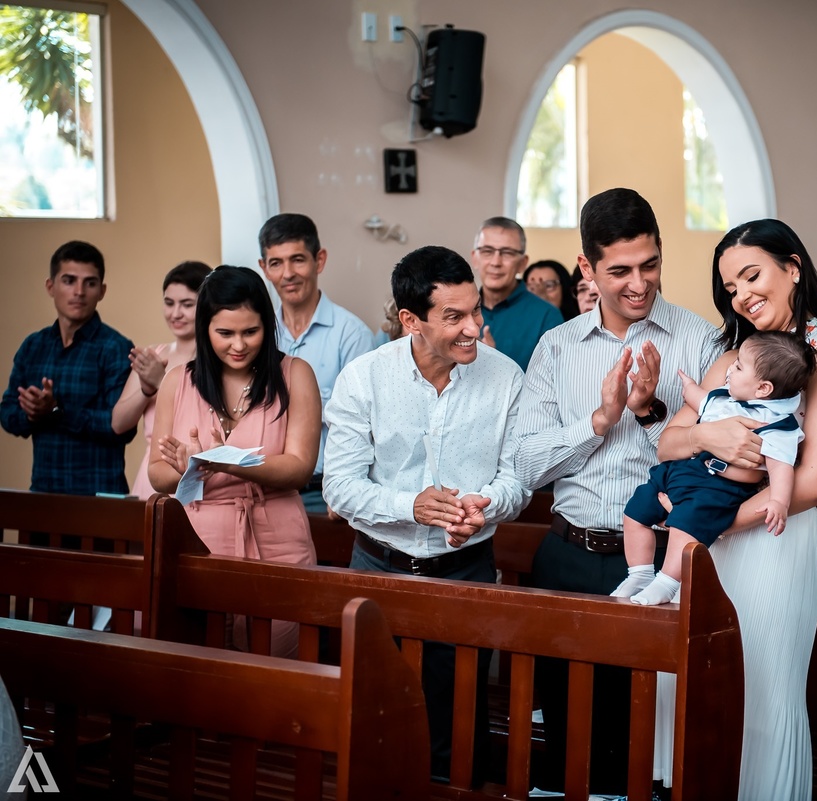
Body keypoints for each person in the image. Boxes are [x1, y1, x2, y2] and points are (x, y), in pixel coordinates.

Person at [513, 188, 723, 793]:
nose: (639, 283)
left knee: (648, 739)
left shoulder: (701, 340)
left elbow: (718, 459)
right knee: (567, 735)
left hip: (663, 562)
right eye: (620, 270)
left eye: (650, 264)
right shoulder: (556, 347)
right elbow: (528, 465)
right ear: (587, 268)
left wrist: (652, 412)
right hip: (569, 554)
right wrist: (598, 422)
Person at [651, 219, 817, 800]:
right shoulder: (731, 359)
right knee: (691, 680)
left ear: (792, 268)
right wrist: (706, 438)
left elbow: (815, 482)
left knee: (762, 686)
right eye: (730, 288)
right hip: (704, 543)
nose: (742, 295)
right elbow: (668, 443)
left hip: (771, 538)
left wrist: (705, 521)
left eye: (752, 275)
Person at [323, 245, 529, 784]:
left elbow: (517, 478)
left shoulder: (505, 376)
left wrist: (486, 508)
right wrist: (408, 506)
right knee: (376, 716)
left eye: (476, 310)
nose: (472, 328)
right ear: (410, 320)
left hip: (465, 571)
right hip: (378, 570)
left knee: (460, 724)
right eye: (454, 317)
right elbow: (339, 487)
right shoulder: (364, 378)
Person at [148, 266, 321, 658]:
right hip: (199, 539)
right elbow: (156, 474)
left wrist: (226, 464)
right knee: (200, 664)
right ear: (205, 328)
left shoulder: (295, 374)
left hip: (276, 538)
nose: (238, 345)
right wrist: (183, 468)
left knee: (278, 662)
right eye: (225, 333)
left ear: (267, 325)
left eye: (251, 331)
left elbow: (299, 466)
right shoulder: (178, 380)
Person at [614, 331, 812, 606]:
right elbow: (700, 401)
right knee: (636, 509)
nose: (730, 368)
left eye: (740, 366)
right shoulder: (725, 398)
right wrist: (689, 385)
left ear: (763, 389)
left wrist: (778, 500)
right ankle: (639, 572)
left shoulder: (777, 425)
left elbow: (781, 467)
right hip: (684, 471)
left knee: (685, 524)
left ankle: (668, 582)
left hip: (719, 487)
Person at [258, 213, 374, 513]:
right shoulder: (256, 335)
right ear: (264, 269)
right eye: (275, 263)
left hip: (323, 493)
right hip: (260, 489)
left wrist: (347, 489)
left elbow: (365, 425)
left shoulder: (351, 334)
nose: (287, 274)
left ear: (319, 260)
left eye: (297, 259)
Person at [1, 241, 136, 495]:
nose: (79, 291)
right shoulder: (33, 346)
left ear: (102, 291)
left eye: (90, 283)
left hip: (99, 499)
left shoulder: (116, 348)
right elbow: (7, 414)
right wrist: (31, 413)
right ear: (50, 287)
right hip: (43, 494)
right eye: (69, 280)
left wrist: (56, 410)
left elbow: (120, 428)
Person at [111, 261, 212, 499]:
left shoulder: (219, 359)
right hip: (154, 474)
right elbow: (118, 424)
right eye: (169, 303)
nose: (175, 313)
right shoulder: (153, 355)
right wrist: (146, 389)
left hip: (198, 473)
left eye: (187, 304)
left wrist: (161, 382)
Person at [472, 216, 563, 370]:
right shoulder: (458, 312)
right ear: (475, 258)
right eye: (487, 251)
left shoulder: (547, 317)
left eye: (507, 253)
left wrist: (496, 364)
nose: (496, 262)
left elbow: (556, 385)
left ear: (522, 263)